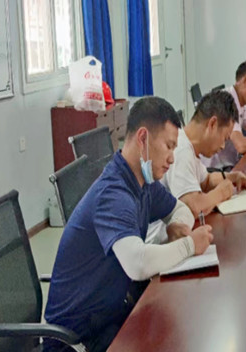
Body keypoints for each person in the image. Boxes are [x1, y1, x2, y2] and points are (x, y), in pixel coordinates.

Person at [43, 97, 213, 352]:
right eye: (168, 146)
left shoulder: (143, 182)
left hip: (107, 317)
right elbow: (138, 264)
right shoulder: (114, 194)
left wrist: (174, 226)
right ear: (143, 138)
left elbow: (181, 210)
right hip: (76, 340)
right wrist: (189, 245)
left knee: (179, 327)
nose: (172, 158)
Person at [164, 90, 246, 217]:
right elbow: (193, 208)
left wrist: (232, 177)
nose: (222, 146)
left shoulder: (191, 148)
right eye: (225, 138)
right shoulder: (181, 150)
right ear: (212, 124)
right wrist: (221, 193)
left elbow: (206, 181)